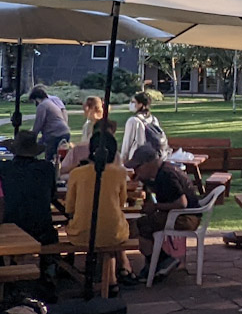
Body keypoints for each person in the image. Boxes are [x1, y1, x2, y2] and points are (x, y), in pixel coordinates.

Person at [64, 126, 132, 290]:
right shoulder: (120, 173)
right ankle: (113, 278)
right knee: (115, 229)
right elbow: (121, 203)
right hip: (114, 233)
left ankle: (105, 279)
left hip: (81, 234)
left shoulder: (77, 174)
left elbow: (69, 208)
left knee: (91, 228)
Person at [132, 144, 194, 281]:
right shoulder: (161, 172)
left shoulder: (166, 175)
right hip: (179, 215)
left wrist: (155, 206)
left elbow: (182, 203)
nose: (136, 172)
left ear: (148, 164)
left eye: (137, 168)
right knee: (145, 224)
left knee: (142, 224)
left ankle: (161, 260)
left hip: (185, 217)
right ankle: (156, 262)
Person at [121, 91, 166, 161]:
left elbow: (127, 144)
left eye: (133, 102)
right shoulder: (153, 119)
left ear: (140, 104)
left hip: (137, 160)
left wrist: (123, 160)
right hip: (154, 159)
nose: (130, 104)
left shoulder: (133, 121)